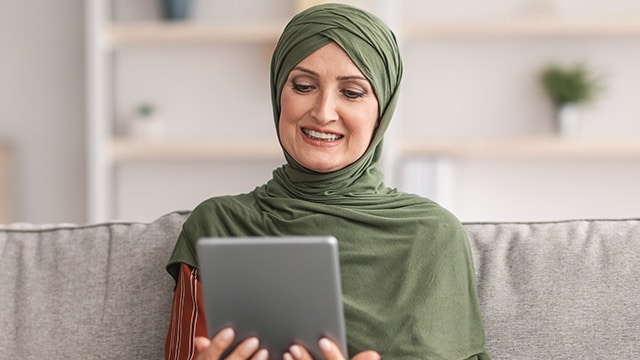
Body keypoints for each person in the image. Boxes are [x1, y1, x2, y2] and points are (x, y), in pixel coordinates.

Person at [165, 3, 490, 360]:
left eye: (351, 93)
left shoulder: (433, 236)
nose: (323, 112)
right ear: (278, 95)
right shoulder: (217, 225)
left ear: (382, 111)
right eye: (303, 86)